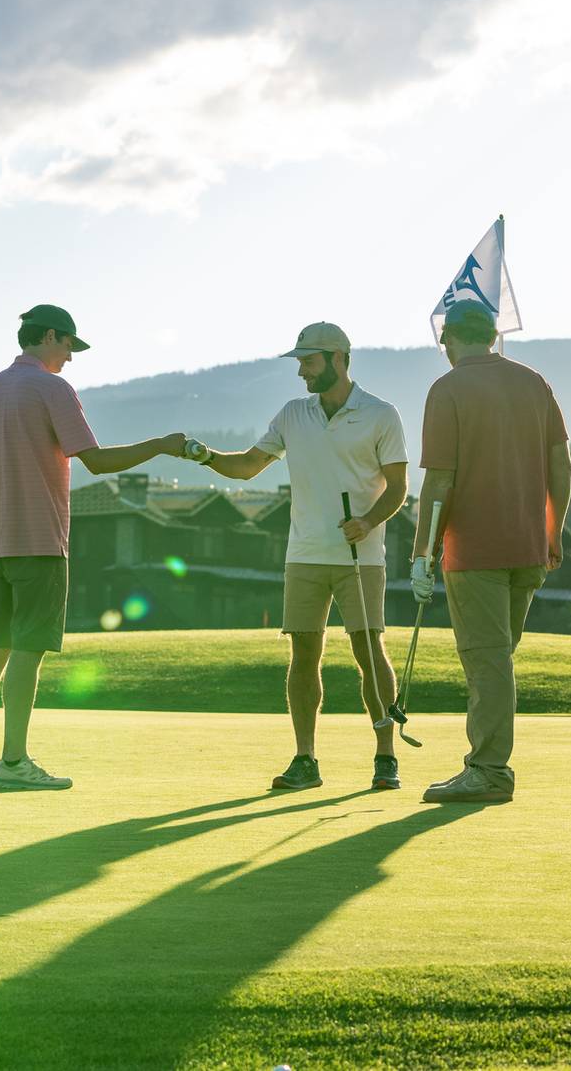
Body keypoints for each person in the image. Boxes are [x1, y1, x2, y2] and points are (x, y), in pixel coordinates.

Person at [0, 304, 187, 791]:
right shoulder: (52, 388)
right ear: (50, 336)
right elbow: (95, 461)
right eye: (69, 346)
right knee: (28, 652)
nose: (71, 358)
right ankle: (14, 762)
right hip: (39, 542)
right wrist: (160, 444)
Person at [195, 322, 409, 792]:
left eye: (308, 362)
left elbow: (398, 488)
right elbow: (249, 466)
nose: (301, 373)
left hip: (361, 556)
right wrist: (204, 456)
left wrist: (369, 521)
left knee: (368, 651)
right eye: (299, 363)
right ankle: (305, 759)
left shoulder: (380, 414)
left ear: (337, 358)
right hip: (305, 555)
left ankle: (385, 755)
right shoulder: (294, 414)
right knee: (303, 655)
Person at [409, 301, 571, 804]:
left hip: (475, 549)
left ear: (449, 341)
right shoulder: (534, 382)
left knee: (487, 662)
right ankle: (488, 763)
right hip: (528, 547)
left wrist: (421, 553)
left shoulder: (448, 388)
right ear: (493, 335)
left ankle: (488, 770)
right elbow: (561, 466)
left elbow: (439, 479)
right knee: (497, 660)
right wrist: (553, 533)